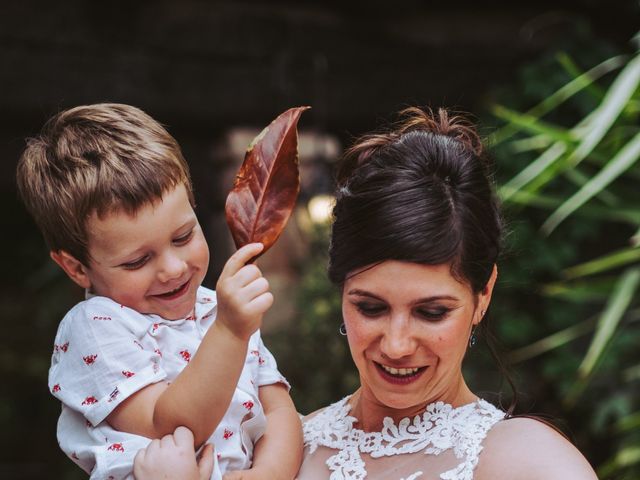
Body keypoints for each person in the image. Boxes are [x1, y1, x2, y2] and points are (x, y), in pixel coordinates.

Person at [133, 106, 598, 480]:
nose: (396, 345)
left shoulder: (526, 462)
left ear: (484, 296)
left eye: (431, 312)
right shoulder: (278, 452)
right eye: (370, 307)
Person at [15, 104, 302, 480]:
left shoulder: (219, 307)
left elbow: (280, 410)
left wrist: (266, 474)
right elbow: (168, 425)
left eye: (183, 236)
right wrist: (230, 331)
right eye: (137, 261)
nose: (173, 268)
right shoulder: (94, 328)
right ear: (77, 268)